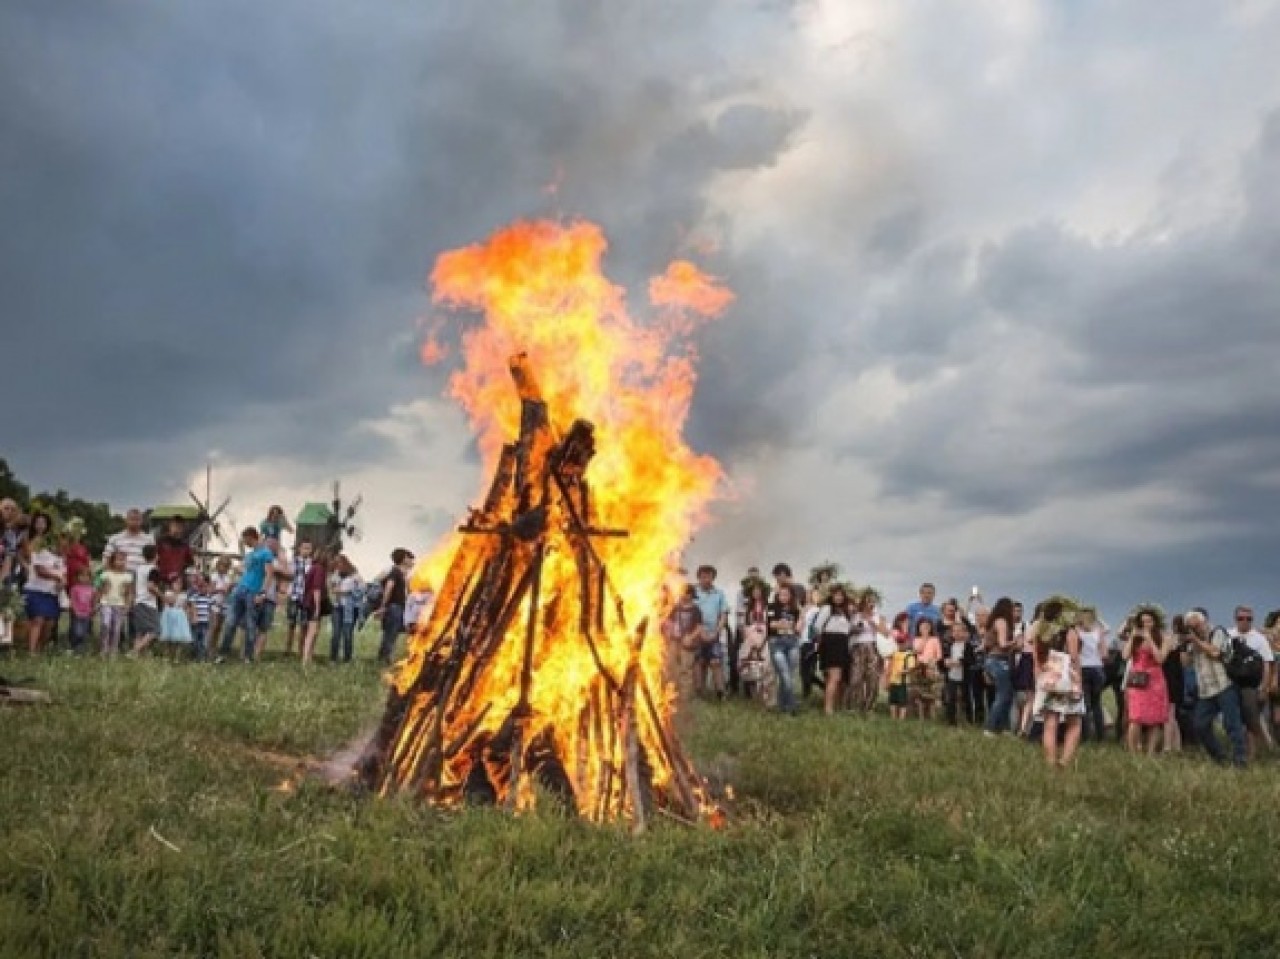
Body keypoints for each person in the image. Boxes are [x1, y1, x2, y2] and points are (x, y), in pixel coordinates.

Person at [1185, 608, 1247, 767]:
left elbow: (1216, 653)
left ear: (1204, 622)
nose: (1195, 629)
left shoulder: (1218, 632)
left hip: (1225, 685)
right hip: (1206, 691)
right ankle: (1220, 757)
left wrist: (1196, 641)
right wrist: (1183, 645)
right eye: (1191, 626)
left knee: (1232, 724)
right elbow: (1185, 662)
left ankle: (1240, 760)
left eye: (1196, 625)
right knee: (1200, 725)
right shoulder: (1193, 640)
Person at [1029, 599, 1084, 768]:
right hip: (1068, 678)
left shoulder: (1040, 633)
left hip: (1048, 677)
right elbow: (1074, 658)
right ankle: (1064, 761)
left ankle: (1050, 761)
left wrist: (1038, 680)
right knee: (1074, 723)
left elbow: (1036, 660)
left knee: (1050, 723)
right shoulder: (1070, 632)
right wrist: (1079, 681)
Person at [217, 528, 275, 664]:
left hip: (253, 591)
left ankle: (248, 657)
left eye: (245, 539)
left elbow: (269, 574)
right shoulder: (250, 555)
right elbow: (244, 571)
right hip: (240, 589)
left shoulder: (266, 553)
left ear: (250, 537)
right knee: (230, 622)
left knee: (250, 625)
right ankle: (223, 654)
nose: (244, 542)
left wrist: (263, 593)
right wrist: (233, 579)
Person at [1227, 605, 1274, 760]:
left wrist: (1264, 689)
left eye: (1249, 619)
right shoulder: (1228, 635)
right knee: (1233, 721)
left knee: (1250, 720)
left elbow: (1267, 664)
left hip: (1252, 687)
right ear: (1236, 619)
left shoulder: (1259, 639)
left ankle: (1251, 756)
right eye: (1241, 618)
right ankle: (1241, 751)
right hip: (1230, 685)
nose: (1245, 622)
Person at [1122, 606, 1171, 755]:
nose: (1146, 625)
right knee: (1135, 717)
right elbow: (1124, 656)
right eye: (1142, 622)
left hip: (1155, 680)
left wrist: (1150, 640)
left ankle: (1150, 753)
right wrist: (1132, 637)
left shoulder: (1164, 638)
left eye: (1149, 621)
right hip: (1137, 680)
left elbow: (1160, 659)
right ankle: (1133, 752)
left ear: (1155, 622)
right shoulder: (1135, 639)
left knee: (1155, 719)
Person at [812, 584, 857, 716]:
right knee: (834, 677)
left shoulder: (845, 611)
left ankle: (834, 706)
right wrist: (821, 641)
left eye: (841, 595)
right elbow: (817, 626)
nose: (838, 597)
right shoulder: (827, 608)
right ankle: (828, 709)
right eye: (836, 595)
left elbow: (848, 629)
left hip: (843, 643)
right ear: (832, 596)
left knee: (839, 678)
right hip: (831, 642)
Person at [22, 532, 65, 654]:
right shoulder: (41, 553)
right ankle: (31, 651)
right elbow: (39, 571)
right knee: (38, 620)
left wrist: (62, 583)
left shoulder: (61, 560)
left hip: (51, 594)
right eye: (61, 542)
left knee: (49, 624)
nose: (63, 545)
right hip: (36, 591)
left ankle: (40, 649)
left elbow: (63, 575)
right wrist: (56, 578)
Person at [691, 565, 729, 700]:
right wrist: (699, 632)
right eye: (703, 576)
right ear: (699, 577)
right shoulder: (692, 592)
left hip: (714, 634)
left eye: (709, 576)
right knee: (699, 663)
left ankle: (720, 692)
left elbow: (724, 614)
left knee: (715, 662)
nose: (706, 579)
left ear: (713, 578)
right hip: (697, 634)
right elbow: (691, 613)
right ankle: (700, 692)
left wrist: (716, 632)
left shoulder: (719, 594)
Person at [983, 597, 1018, 736]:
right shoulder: (1002, 622)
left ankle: (1004, 728)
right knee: (1003, 695)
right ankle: (990, 727)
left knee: (1006, 694)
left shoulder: (993, 622)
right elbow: (1003, 644)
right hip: (999, 660)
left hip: (993, 660)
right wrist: (1015, 642)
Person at [766, 583, 801, 715]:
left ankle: (782, 705)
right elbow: (772, 624)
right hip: (777, 643)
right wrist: (787, 624)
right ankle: (792, 706)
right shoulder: (771, 607)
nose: (784, 597)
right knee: (785, 675)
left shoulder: (795, 609)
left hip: (792, 643)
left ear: (791, 596)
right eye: (781, 594)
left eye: (787, 594)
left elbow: (798, 628)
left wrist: (798, 615)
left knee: (788, 676)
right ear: (777, 595)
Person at [374, 548, 413, 666]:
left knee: (391, 633)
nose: (410, 559)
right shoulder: (395, 571)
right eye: (407, 556)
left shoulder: (401, 573)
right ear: (402, 558)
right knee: (391, 633)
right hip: (394, 608)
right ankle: (384, 659)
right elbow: (389, 587)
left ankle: (383, 657)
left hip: (398, 607)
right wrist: (383, 606)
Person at [848, 588, 884, 713]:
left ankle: (869, 708)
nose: (870, 604)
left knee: (873, 678)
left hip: (873, 647)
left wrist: (873, 623)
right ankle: (855, 706)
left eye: (872, 601)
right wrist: (857, 628)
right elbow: (849, 631)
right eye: (868, 601)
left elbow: (885, 633)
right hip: (858, 647)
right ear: (863, 602)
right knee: (856, 678)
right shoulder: (855, 616)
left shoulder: (878, 616)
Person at [1076, 607, 1108, 742]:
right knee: (1097, 704)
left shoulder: (1077, 632)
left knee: (1085, 705)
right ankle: (1100, 736)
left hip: (1083, 668)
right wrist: (1097, 617)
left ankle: (1085, 736)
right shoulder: (1098, 632)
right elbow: (1105, 654)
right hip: (1097, 669)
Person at [737, 576, 770, 703]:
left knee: (765, 664)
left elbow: (769, 623)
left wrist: (763, 640)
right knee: (749, 663)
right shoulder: (748, 607)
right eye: (754, 590)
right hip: (750, 636)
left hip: (764, 636)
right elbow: (744, 625)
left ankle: (765, 694)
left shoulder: (768, 606)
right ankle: (752, 694)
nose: (756, 593)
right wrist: (748, 639)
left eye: (759, 590)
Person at [300, 548, 332, 666]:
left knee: (313, 631)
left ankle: (309, 657)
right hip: (313, 603)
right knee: (312, 632)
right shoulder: (319, 569)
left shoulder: (313, 567)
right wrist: (318, 607)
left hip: (308, 602)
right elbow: (317, 588)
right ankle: (306, 659)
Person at [97, 550, 133, 657]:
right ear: (113, 561)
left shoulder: (128, 576)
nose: (121, 562)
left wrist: (128, 604)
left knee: (117, 629)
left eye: (123, 560)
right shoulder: (105, 574)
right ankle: (104, 649)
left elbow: (129, 592)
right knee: (106, 624)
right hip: (106, 602)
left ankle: (114, 650)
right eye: (119, 560)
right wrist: (97, 603)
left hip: (120, 604)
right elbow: (99, 589)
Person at [127, 554, 164, 656]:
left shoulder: (138, 569)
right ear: (155, 556)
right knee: (156, 630)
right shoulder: (154, 569)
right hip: (148, 603)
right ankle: (133, 652)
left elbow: (133, 586)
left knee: (140, 632)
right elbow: (151, 586)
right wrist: (162, 596)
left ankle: (137, 656)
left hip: (138, 602)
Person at [331, 554, 364, 664]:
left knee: (347, 634)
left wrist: (347, 592)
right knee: (336, 634)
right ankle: (333, 658)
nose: (338, 566)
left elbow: (362, 591)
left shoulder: (356, 576)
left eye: (340, 563)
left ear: (346, 563)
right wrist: (335, 589)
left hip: (350, 608)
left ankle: (347, 659)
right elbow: (333, 588)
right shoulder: (335, 574)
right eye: (336, 564)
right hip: (337, 607)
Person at [284, 540, 314, 656]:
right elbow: (290, 574)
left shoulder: (312, 563)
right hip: (294, 595)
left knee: (304, 624)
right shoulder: (294, 561)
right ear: (299, 549)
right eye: (304, 548)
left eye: (309, 548)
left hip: (306, 597)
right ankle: (288, 649)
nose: (306, 550)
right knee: (291, 623)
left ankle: (301, 650)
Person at [103, 509, 155, 574]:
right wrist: (111, 576)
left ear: (141, 521)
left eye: (137, 519)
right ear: (126, 520)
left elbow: (153, 560)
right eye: (132, 519)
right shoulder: (114, 538)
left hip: (142, 577)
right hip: (121, 577)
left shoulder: (149, 540)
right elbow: (106, 559)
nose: (134, 522)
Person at [885, 628, 916, 720]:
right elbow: (889, 664)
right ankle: (893, 717)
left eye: (903, 642)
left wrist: (904, 671)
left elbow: (911, 668)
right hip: (893, 680)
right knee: (892, 700)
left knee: (902, 701)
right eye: (899, 642)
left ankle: (901, 718)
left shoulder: (909, 655)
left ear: (907, 643)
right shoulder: (894, 653)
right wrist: (887, 678)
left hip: (902, 682)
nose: (901, 644)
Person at [155, 518, 195, 587]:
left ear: (182, 529)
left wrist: (184, 575)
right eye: (175, 526)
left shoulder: (184, 545)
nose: (177, 529)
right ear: (170, 527)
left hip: (178, 582)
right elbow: (154, 559)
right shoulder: (161, 542)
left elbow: (191, 563)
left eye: (179, 527)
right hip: (162, 581)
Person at [943, 620, 969, 725]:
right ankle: (951, 721)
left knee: (965, 698)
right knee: (951, 698)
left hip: (964, 676)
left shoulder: (967, 646)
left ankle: (967, 720)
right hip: (952, 676)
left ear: (964, 633)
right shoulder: (950, 645)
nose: (957, 633)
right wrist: (946, 662)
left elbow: (969, 660)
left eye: (959, 631)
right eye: (954, 631)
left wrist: (959, 662)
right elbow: (944, 658)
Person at [158, 589, 194, 659]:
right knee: (168, 639)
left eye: (179, 583)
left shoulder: (183, 594)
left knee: (178, 639)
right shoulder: (168, 592)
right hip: (168, 615)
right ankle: (167, 656)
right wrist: (173, 598)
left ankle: (176, 657)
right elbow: (168, 602)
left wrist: (189, 615)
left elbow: (185, 605)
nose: (177, 585)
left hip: (179, 617)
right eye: (175, 583)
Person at [68, 566, 96, 654]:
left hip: (87, 614)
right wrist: (75, 610)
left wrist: (93, 609)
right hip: (77, 613)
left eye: (87, 576)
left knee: (84, 631)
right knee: (77, 631)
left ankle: (80, 647)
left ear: (90, 578)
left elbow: (93, 601)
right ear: (77, 577)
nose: (84, 578)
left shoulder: (92, 589)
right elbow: (72, 601)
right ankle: (74, 645)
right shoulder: (74, 588)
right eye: (82, 576)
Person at [187, 572, 214, 662]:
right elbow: (193, 607)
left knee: (203, 641)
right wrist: (194, 617)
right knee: (194, 640)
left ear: (208, 586)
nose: (202, 589)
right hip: (196, 623)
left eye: (204, 586)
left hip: (205, 623)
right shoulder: (194, 597)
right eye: (200, 587)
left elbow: (210, 610)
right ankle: (194, 655)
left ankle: (201, 658)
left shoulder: (209, 598)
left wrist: (211, 622)